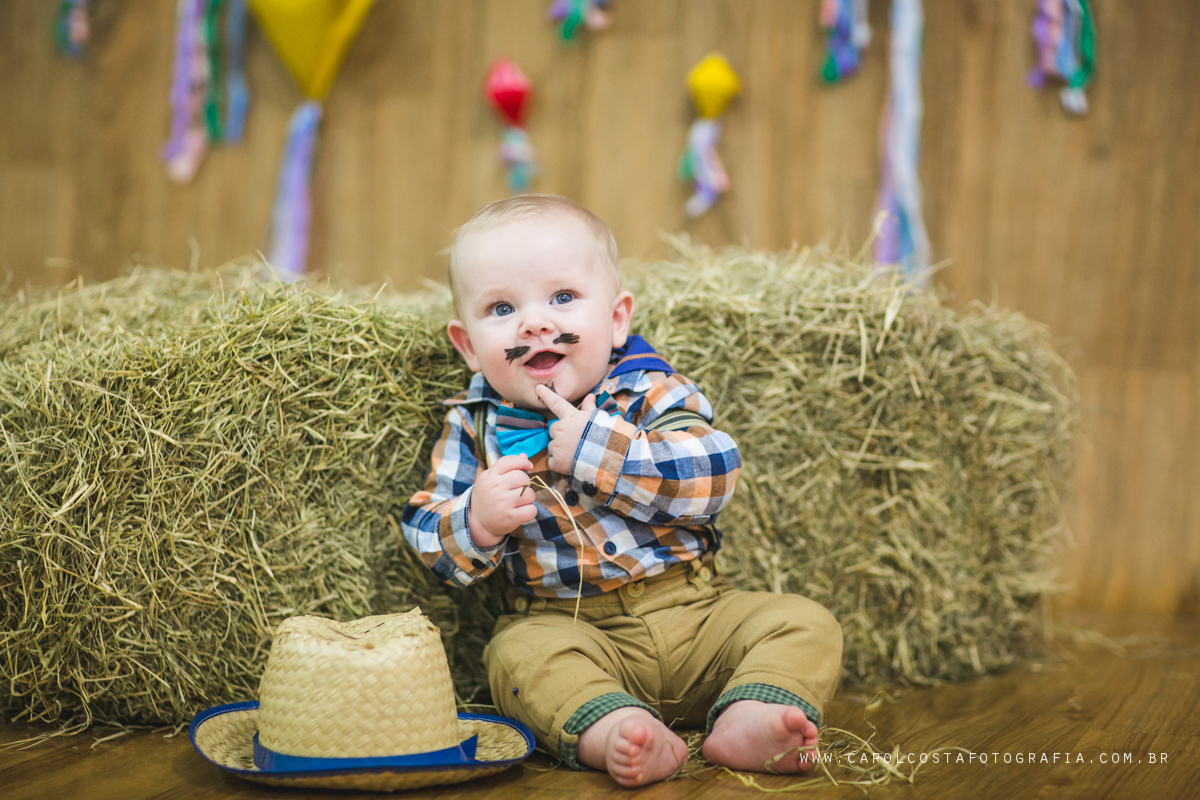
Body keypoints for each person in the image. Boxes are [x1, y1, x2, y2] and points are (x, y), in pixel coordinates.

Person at [402, 194, 843, 787]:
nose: (534, 323)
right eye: (502, 307)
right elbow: (425, 527)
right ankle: (616, 727)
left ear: (615, 320)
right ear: (468, 345)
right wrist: (477, 521)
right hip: (570, 628)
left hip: (696, 615)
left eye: (562, 298)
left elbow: (714, 473)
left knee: (803, 622)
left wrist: (601, 453)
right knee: (516, 659)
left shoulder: (651, 393)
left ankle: (750, 714)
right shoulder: (472, 427)